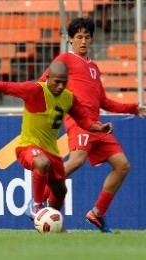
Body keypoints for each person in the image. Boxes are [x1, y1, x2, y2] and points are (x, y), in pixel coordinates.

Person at [0, 61, 112, 229]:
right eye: (56, 81)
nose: (60, 86)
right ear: (48, 78)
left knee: (60, 191)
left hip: (51, 151)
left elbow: (84, 120)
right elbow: (5, 86)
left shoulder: (68, 98)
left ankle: (52, 225)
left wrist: (99, 127)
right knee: (42, 162)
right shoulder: (35, 90)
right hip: (27, 146)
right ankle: (36, 205)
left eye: (64, 82)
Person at [37, 17, 146, 233]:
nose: (83, 41)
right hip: (78, 121)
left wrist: (133, 108)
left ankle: (96, 214)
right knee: (76, 160)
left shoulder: (94, 68)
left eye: (87, 37)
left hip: (97, 125)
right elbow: (42, 83)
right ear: (70, 39)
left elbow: (104, 101)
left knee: (122, 165)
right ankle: (43, 205)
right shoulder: (65, 59)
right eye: (79, 37)